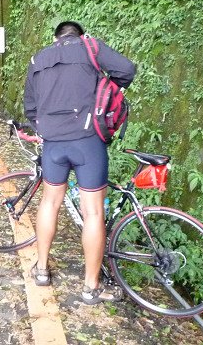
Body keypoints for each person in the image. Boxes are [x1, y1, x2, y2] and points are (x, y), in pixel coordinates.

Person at [23, 20, 136, 304]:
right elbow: (127, 70)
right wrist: (104, 90)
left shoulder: (39, 58)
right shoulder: (91, 47)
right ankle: (90, 287)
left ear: (55, 38)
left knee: (49, 203)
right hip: (88, 142)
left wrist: (47, 127)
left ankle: (41, 270)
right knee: (93, 213)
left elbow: (30, 107)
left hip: (53, 145)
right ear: (81, 36)